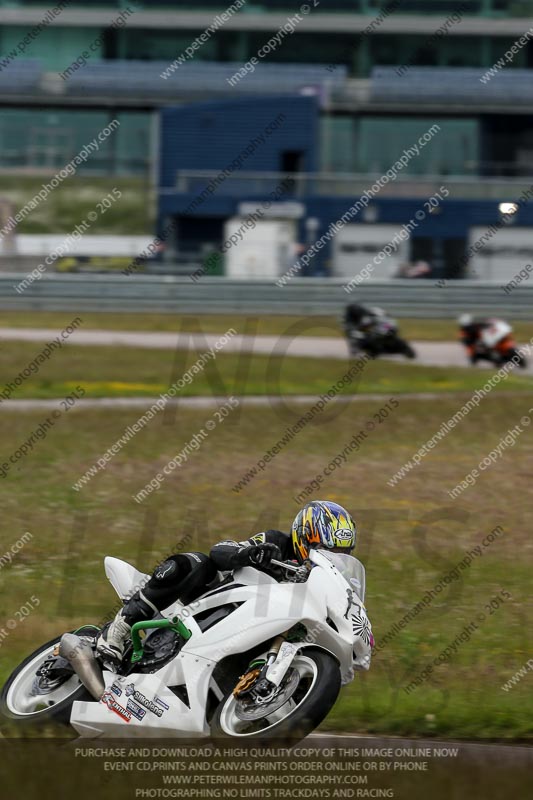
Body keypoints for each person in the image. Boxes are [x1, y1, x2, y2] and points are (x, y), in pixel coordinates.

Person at [96, 500, 357, 667]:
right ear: (305, 535)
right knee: (196, 563)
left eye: (341, 554)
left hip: (256, 632)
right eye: (324, 548)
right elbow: (220, 550)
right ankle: (119, 628)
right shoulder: (276, 542)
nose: (330, 557)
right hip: (212, 606)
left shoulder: (322, 582)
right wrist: (250, 554)